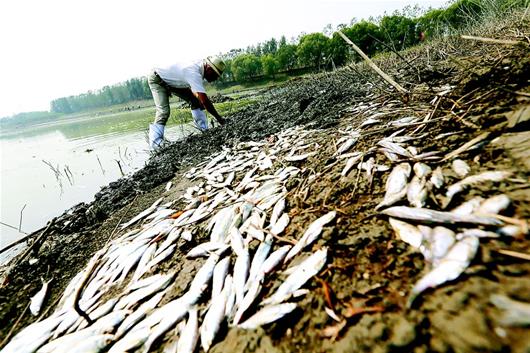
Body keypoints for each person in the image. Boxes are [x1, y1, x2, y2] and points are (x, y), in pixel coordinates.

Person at [147, 56, 227, 149]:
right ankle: (155, 143)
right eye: (215, 75)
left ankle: (204, 129)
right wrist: (219, 119)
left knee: (195, 101)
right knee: (164, 111)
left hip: (169, 79)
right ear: (209, 69)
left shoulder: (198, 68)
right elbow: (205, 101)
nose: (216, 78)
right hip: (157, 79)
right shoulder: (194, 72)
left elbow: (198, 95)